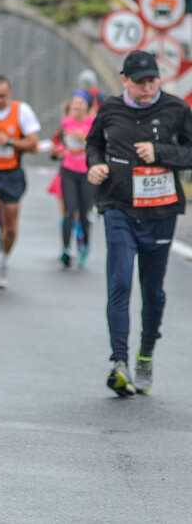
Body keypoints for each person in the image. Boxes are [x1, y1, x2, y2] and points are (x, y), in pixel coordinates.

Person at [86, 50, 192, 396]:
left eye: (152, 81)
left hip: (160, 212)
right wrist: (95, 164)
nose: (147, 89)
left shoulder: (176, 109)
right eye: (139, 82)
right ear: (124, 80)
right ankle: (119, 361)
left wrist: (160, 153)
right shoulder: (110, 108)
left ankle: (145, 353)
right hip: (118, 206)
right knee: (119, 282)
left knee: (153, 290)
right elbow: (93, 143)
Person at [0, 75, 40, 290]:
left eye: (2, 96)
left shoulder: (22, 111)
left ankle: (3, 261)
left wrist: (9, 141)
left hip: (12, 174)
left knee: (9, 227)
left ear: (9, 93)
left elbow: (33, 144)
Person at [53, 90, 96, 268]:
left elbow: (99, 145)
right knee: (69, 211)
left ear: (87, 106)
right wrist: (58, 150)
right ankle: (65, 249)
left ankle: (84, 247)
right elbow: (61, 143)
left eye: (80, 103)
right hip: (69, 170)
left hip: (87, 172)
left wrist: (85, 139)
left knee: (84, 214)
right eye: (74, 102)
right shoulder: (66, 122)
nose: (76, 106)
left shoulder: (93, 122)